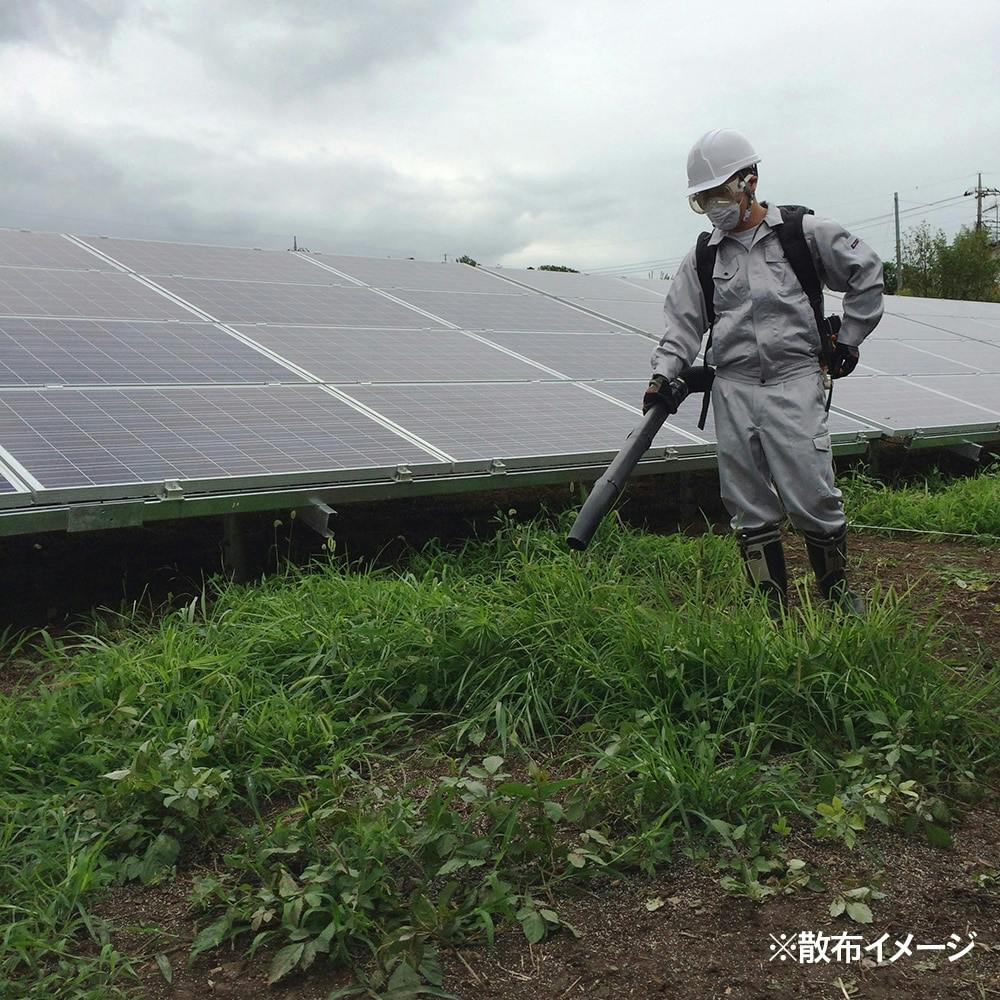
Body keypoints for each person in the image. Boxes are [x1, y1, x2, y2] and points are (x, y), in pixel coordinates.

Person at [643, 129, 883, 615]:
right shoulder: (704, 257)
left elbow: (867, 272)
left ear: (749, 182)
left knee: (813, 493)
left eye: (719, 193)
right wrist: (663, 376)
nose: (713, 205)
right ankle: (771, 608)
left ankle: (837, 593)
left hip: (795, 380)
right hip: (732, 387)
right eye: (702, 198)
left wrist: (849, 341)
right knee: (746, 504)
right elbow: (681, 326)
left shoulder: (803, 233)